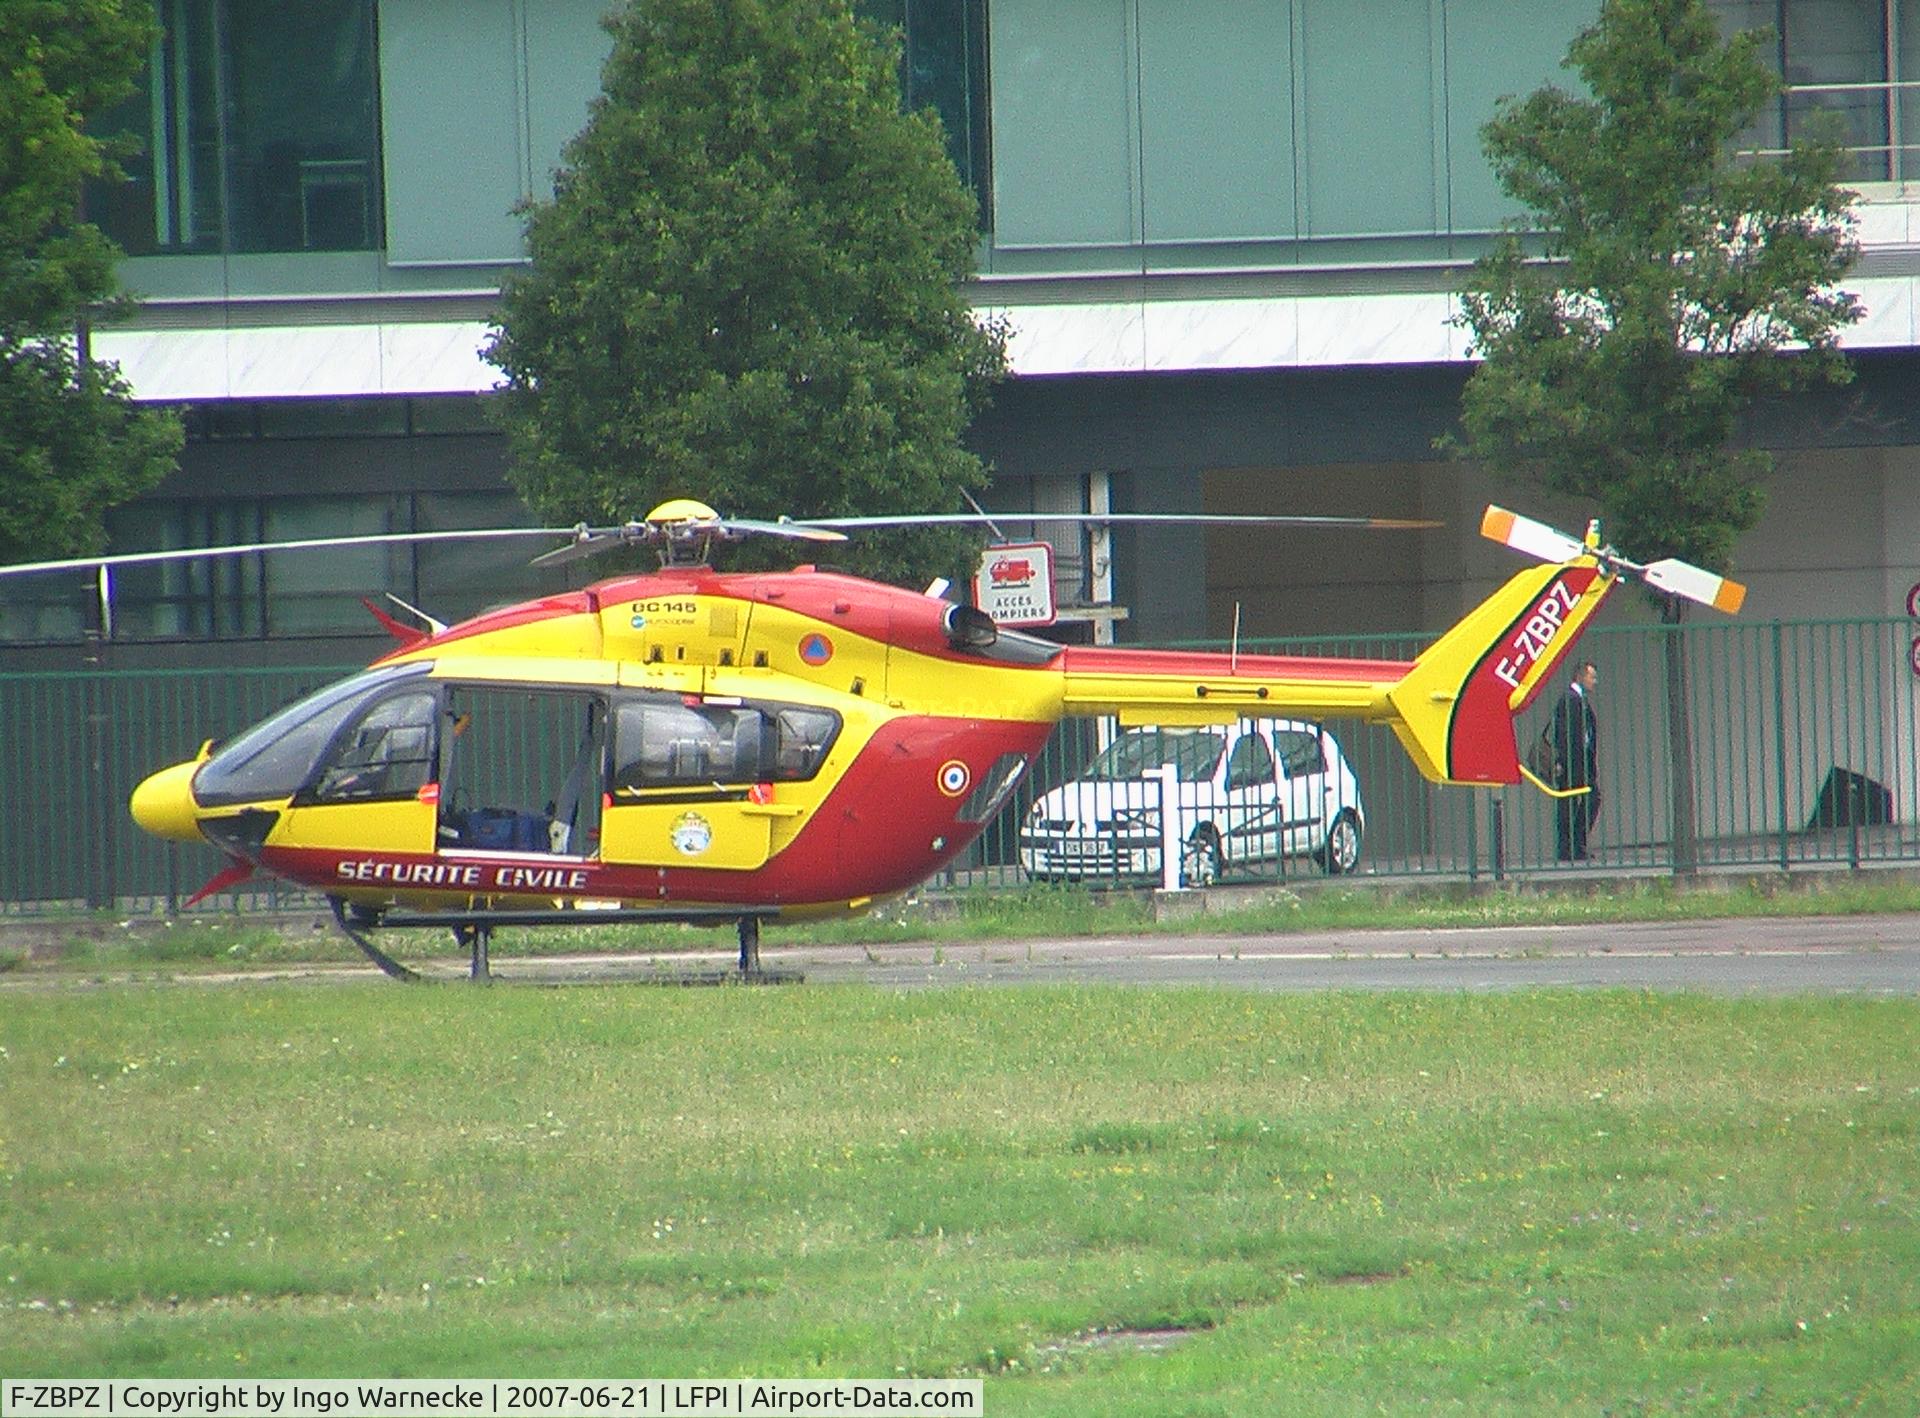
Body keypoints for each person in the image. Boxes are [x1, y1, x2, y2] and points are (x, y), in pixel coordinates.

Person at [1550, 660, 1600, 861]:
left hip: (1582, 762)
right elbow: (1564, 734)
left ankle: (1575, 846)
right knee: (1574, 803)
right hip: (1573, 763)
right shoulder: (1570, 699)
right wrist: (1563, 760)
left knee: (1585, 800)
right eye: (1591, 676)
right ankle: (1570, 847)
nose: (1594, 681)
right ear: (1580, 676)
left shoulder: (1579, 699)